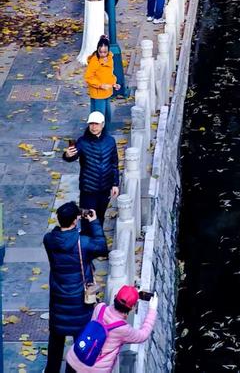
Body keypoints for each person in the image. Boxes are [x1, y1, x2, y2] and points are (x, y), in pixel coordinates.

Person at [43, 201, 107, 373]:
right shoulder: (83, 243)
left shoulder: (48, 240)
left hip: (58, 301)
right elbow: (102, 247)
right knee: (78, 346)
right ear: (75, 221)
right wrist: (94, 222)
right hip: (79, 303)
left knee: (55, 343)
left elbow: (58, 235)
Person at [65, 286, 158, 373]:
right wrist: (152, 310)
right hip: (93, 369)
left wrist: (130, 294)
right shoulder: (123, 329)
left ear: (115, 296)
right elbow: (143, 335)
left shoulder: (100, 308)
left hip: (74, 359)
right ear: (133, 308)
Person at [62, 110, 119, 227]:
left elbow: (114, 164)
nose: (93, 127)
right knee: (87, 218)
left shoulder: (110, 141)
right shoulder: (82, 142)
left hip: (105, 188)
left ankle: (98, 236)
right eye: (91, 124)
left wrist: (115, 184)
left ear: (102, 124)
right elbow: (73, 156)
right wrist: (67, 155)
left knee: (100, 217)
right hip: (88, 189)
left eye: (96, 124)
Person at [84, 36, 119, 131]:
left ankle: (105, 132)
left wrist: (113, 84)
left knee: (107, 115)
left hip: (106, 91)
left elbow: (109, 74)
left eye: (105, 52)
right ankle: (98, 133)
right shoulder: (94, 61)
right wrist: (100, 85)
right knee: (99, 116)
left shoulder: (110, 58)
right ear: (97, 50)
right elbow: (88, 77)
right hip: (98, 93)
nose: (103, 54)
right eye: (100, 52)